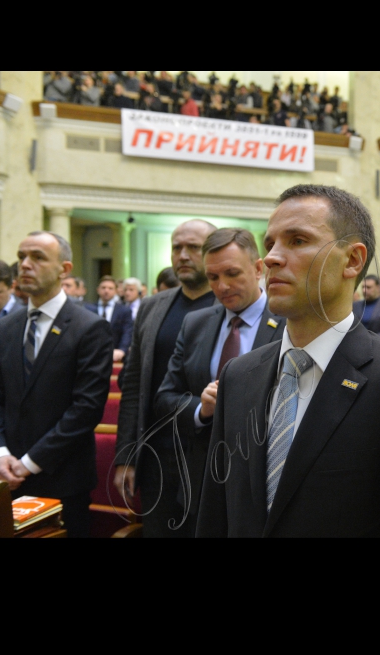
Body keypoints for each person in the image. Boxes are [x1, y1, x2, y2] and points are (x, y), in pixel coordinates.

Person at [196, 184, 380, 537]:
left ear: (352, 260)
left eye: (297, 240)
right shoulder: (239, 376)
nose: (271, 258)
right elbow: (216, 515)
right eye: (270, 243)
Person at [154, 229, 286, 532]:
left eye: (232, 273)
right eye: (213, 277)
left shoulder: (289, 321)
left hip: (265, 482)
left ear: (257, 269)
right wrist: (201, 410)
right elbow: (165, 398)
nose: (222, 286)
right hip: (201, 483)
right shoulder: (196, 323)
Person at [0, 232, 112, 537]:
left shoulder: (90, 328)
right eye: (22, 256)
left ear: (64, 269)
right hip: (5, 474)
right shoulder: (6, 325)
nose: (24, 264)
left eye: (37, 257)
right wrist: (1, 452)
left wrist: (29, 463)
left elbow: (86, 409)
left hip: (62, 478)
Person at [114, 220, 218, 538]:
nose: (183, 255)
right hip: (156, 453)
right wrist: (126, 456)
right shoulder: (152, 306)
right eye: (177, 247)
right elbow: (133, 386)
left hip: (211, 455)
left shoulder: (228, 303)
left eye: (194, 248)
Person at [85, 276, 133, 363]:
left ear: (116, 291)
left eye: (110, 288)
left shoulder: (124, 310)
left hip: (115, 353)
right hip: (92, 353)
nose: (106, 291)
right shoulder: (88, 308)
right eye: (103, 288)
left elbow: (127, 331)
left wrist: (122, 349)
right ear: (98, 290)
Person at [353, 274, 380, 340]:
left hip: (379, 345)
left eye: (368, 287)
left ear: (378, 288)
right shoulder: (355, 305)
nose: (364, 290)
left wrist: (373, 338)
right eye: (363, 287)